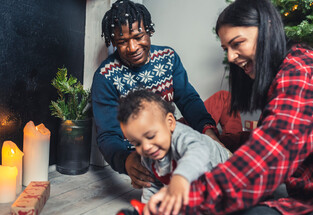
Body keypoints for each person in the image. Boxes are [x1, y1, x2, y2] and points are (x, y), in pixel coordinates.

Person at [145, 0, 313, 215]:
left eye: (237, 44)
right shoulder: (280, 76)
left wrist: (186, 194)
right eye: (226, 48)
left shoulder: (300, 71)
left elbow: (272, 152)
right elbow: (272, 139)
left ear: (267, 27)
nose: (232, 56)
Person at [91, 0, 220, 189]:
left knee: (223, 116)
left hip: (172, 136)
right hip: (143, 152)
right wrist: (127, 162)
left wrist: (210, 135)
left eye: (138, 36)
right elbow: (108, 134)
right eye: (122, 42)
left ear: (149, 30)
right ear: (113, 44)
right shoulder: (105, 76)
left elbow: (188, 99)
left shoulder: (168, 58)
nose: (133, 47)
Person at [118, 89, 231, 209]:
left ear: (170, 123)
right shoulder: (147, 157)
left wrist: (180, 178)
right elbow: (152, 186)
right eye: (137, 143)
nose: (145, 147)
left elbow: (198, 154)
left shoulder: (182, 136)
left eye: (151, 136)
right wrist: (149, 208)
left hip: (225, 165)